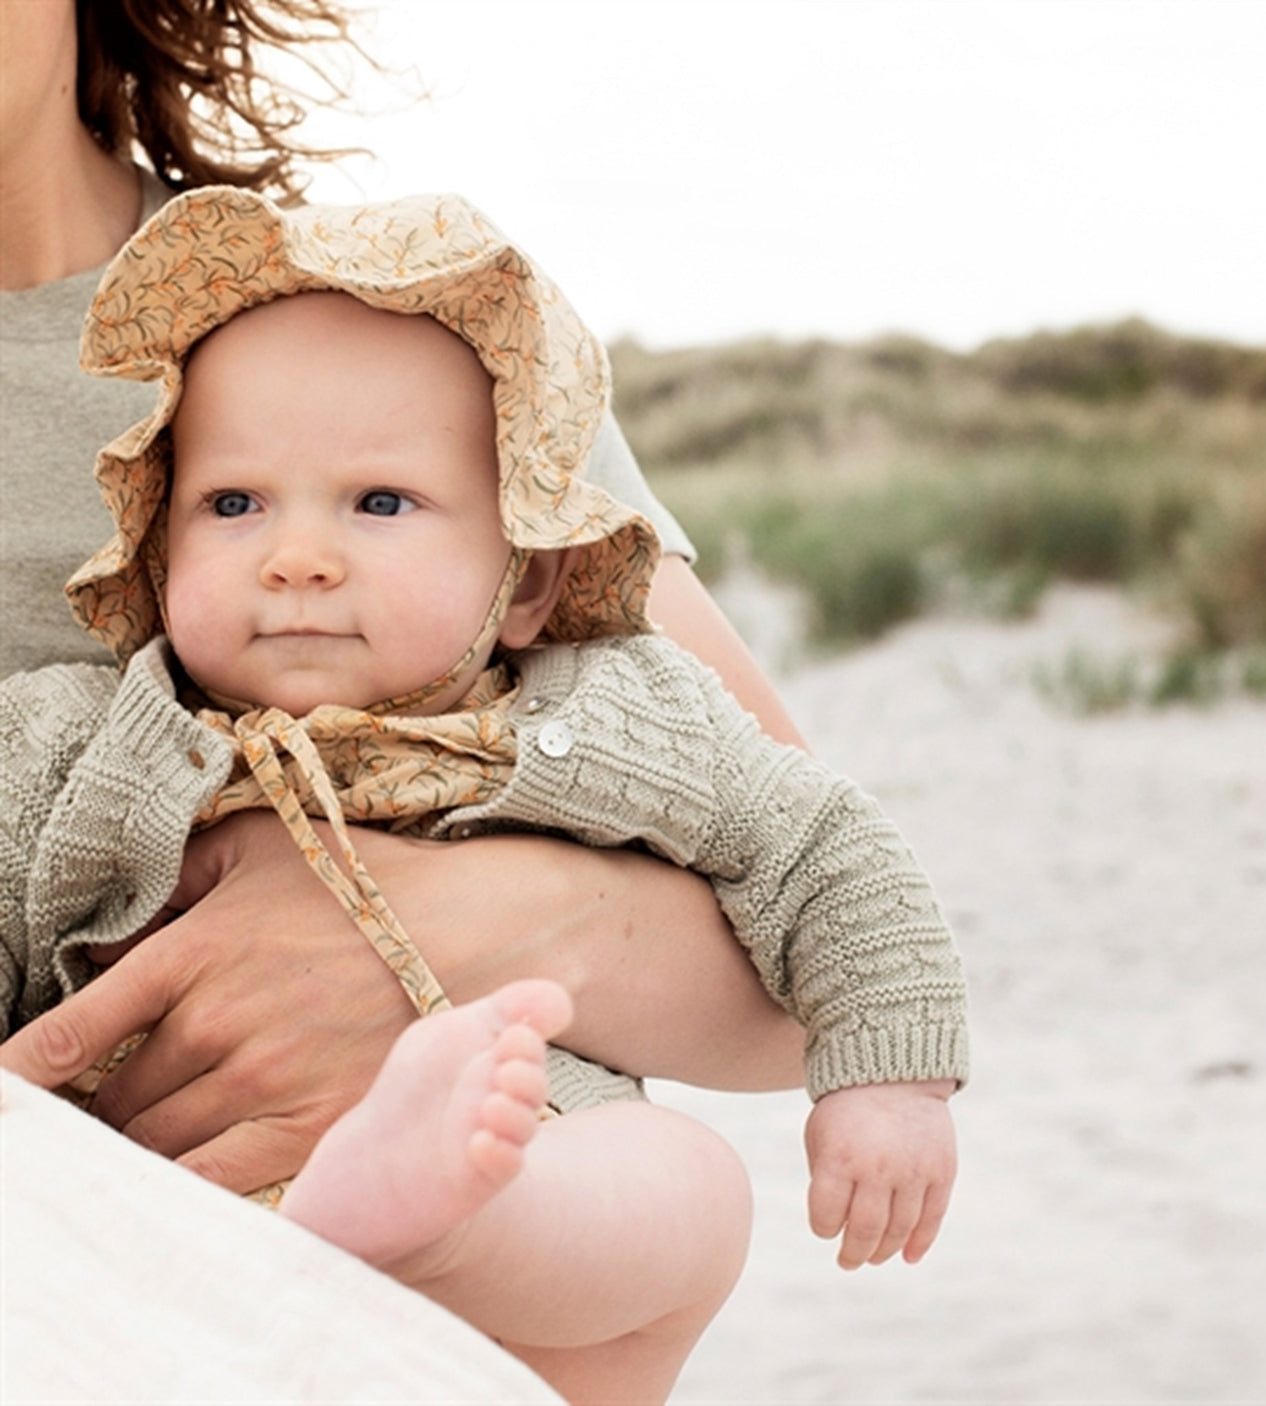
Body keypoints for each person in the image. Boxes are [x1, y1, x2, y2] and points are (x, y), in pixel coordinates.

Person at [0, 186, 968, 1403]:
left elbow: (820, 844)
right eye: (233, 504)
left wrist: (891, 1077)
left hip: (514, 1163)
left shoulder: (614, 713)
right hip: (145, 1199)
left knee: (691, 1187)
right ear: (155, 548)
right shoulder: (77, 742)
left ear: (527, 582)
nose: (296, 557)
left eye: (379, 503)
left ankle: (433, 1213)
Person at [0, 0, 812, 1199]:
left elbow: (801, 977)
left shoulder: (373, 321)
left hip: (417, 1266)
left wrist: (428, 928)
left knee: (692, 1192)